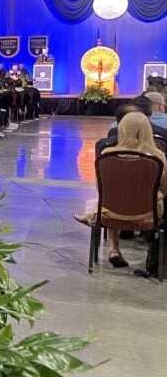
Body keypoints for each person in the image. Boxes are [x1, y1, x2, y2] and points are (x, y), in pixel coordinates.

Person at [75, 112, 167, 268]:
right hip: (148, 214)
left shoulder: (107, 155)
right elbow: (164, 189)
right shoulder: (159, 157)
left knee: (112, 200)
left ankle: (113, 248)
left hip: (112, 212)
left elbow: (101, 188)